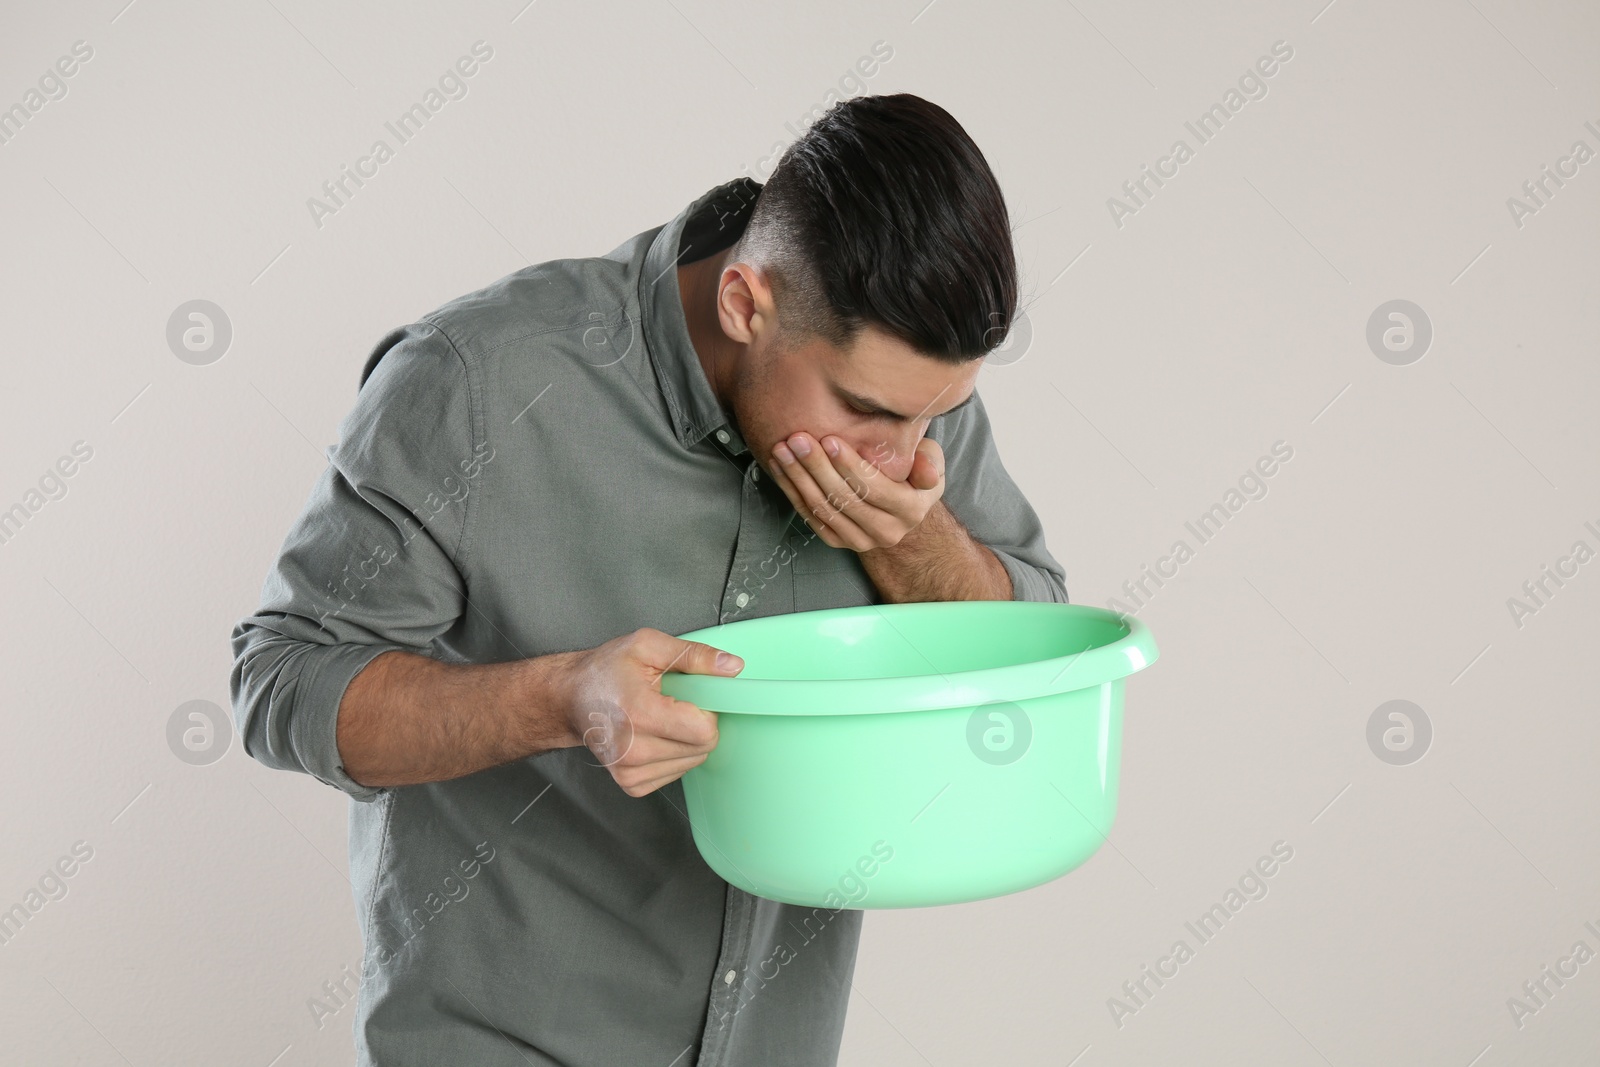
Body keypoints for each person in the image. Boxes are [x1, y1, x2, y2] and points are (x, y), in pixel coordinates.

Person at [229, 91, 1069, 1067]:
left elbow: (1030, 651)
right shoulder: (476, 378)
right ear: (744, 303)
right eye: (865, 411)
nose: (899, 455)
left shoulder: (905, 408)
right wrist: (559, 697)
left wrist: (911, 548)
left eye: (937, 414)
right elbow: (280, 683)